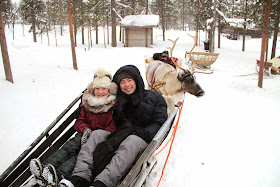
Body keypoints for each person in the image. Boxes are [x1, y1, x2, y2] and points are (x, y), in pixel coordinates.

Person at [62, 65, 168, 187]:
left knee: (131, 142)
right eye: (122, 82)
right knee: (97, 134)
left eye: (129, 80)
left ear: (136, 81)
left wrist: (145, 133)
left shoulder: (155, 97)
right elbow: (103, 104)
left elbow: (160, 121)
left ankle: (103, 182)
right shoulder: (118, 99)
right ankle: (80, 176)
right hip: (120, 132)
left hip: (142, 137)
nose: (126, 85)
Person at [29, 68, 118, 186]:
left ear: (109, 90)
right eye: (97, 88)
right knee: (70, 146)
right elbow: (80, 121)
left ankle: (59, 174)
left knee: (81, 155)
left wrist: (95, 136)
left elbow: (111, 129)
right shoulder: (88, 102)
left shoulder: (112, 107)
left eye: (103, 89)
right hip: (84, 135)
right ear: (93, 89)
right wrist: (85, 130)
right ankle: (47, 167)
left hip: (98, 141)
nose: (100, 92)